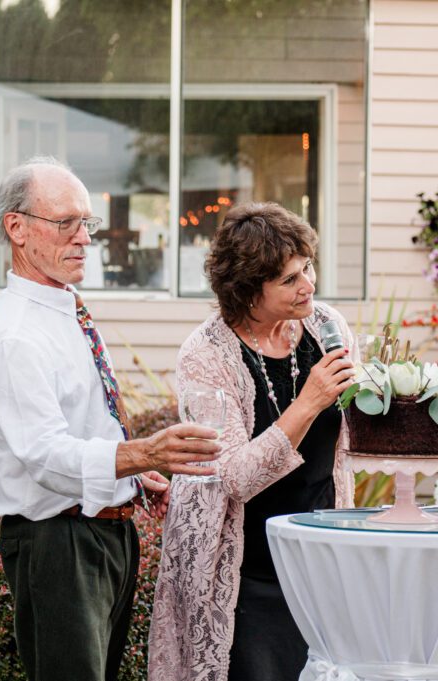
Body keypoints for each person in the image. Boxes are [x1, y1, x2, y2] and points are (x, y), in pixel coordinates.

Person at [0, 157, 221, 681]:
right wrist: (145, 452)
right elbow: (44, 455)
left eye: (88, 223)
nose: (85, 238)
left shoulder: (65, 305)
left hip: (104, 536)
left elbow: (88, 419)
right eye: (66, 223)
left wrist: (131, 474)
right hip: (58, 544)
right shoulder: (16, 335)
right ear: (16, 228)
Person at [148, 203, 357, 681]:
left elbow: (352, 438)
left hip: (321, 559)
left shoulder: (327, 326)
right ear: (246, 291)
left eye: (308, 267)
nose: (308, 285)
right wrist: (308, 403)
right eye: (289, 279)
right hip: (247, 573)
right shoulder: (205, 355)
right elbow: (235, 478)